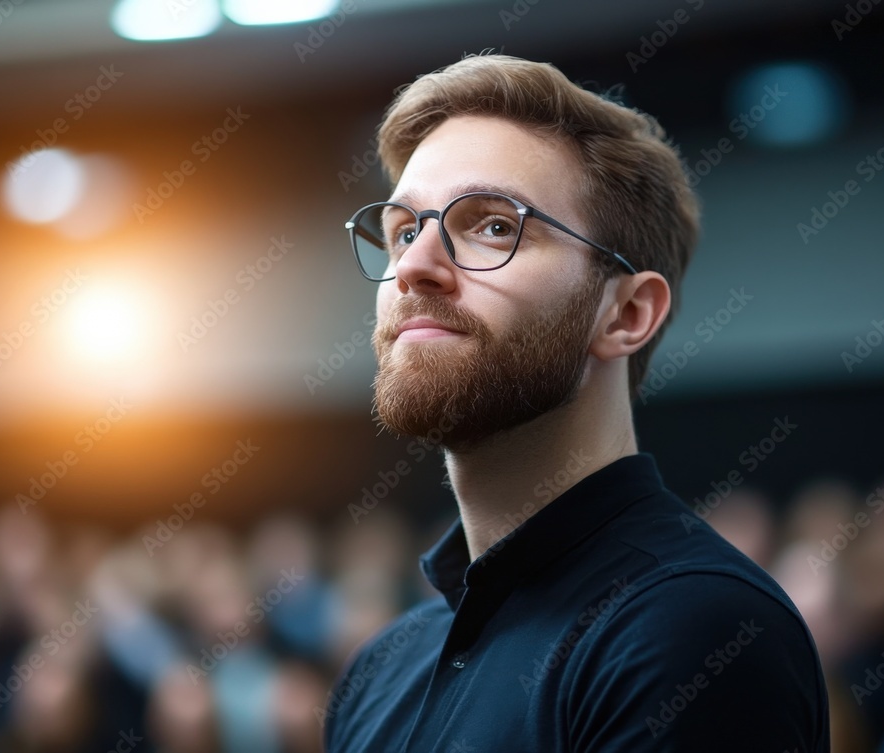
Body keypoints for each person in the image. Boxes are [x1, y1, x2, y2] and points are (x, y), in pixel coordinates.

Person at [324, 53, 830, 752]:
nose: (411, 265)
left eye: (493, 225)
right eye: (405, 230)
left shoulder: (692, 627)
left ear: (625, 313)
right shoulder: (383, 667)